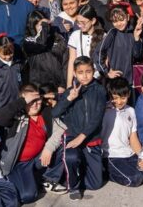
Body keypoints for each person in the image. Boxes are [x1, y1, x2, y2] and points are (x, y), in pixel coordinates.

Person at [45, 56, 108, 200]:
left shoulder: (99, 90)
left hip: (90, 137)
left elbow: (97, 117)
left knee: (96, 184)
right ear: (74, 73)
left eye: (88, 71)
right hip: (73, 135)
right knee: (71, 157)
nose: (84, 76)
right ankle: (73, 185)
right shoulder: (69, 92)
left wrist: (83, 136)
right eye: (80, 72)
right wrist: (69, 99)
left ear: (93, 71)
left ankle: (76, 171)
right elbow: (55, 113)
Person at [0, 84, 53, 202]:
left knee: (63, 148)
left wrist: (49, 148)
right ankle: (30, 180)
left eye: (38, 100)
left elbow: (64, 99)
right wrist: (23, 101)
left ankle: (45, 178)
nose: (35, 104)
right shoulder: (18, 117)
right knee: (28, 196)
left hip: (38, 158)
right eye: (31, 101)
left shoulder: (45, 112)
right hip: (19, 164)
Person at [101, 77, 143, 188]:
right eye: (115, 98)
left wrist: (142, 157)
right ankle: (107, 173)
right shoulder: (104, 110)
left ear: (128, 94)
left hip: (129, 153)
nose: (119, 102)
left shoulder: (131, 111)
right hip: (112, 156)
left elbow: (133, 138)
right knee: (135, 179)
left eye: (123, 98)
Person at [0, 35, 23, 114]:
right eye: (5, 54)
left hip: (18, 105)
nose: (8, 57)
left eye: (11, 53)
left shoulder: (18, 64)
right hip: (1, 108)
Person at [66, 12, 104, 87]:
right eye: (78, 22)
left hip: (98, 80)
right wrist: (69, 84)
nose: (80, 25)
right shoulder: (75, 35)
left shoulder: (104, 36)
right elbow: (72, 60)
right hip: (80, 79)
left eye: (83, 22)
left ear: (93, 21)